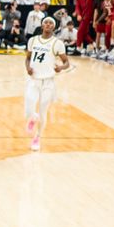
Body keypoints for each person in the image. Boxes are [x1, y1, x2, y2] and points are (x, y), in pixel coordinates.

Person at [25, 17, 69, 151]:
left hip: (48, 81)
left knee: (43, 110)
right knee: (28, 109)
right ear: (42, 25)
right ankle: (33, 117)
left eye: (51, 23)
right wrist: (28, 68)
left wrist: (60, 68)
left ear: (54, 27)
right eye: (46, 22)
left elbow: (67, 63)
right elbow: (27, 58)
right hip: (34, 80)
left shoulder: (57, 43)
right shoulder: (32, 40)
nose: (48, 24)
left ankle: (37, 137)